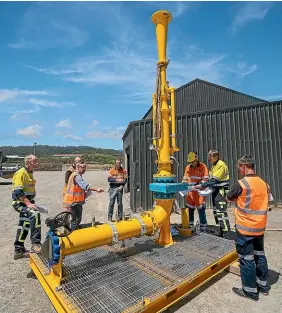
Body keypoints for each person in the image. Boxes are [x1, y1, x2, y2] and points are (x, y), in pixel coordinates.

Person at [226, 155, 270, 301]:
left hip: (245, 228)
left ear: (244, 166)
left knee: (246, 258)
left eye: (240, 167)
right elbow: (268, 201)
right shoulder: (264, 184)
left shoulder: (241, 184)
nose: (239, 170)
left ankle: (250, 292)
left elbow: (229, 198)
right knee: (259, 255)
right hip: (260, 227)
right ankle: (263, 286)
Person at [194, 149, 231, 238]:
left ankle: (226, 234)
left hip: (221, 192)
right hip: (216, 191)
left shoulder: (221, 165)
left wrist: (202, 185)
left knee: (221, 212)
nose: (209, 159)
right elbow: (212, 180)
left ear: (216, 157)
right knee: (217, 211)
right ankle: (221, 231)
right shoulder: (214, 165)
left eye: (210, 157)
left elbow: (215, 180)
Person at [12, 154, 42, 259]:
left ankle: (18, 250)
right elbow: (18, 192)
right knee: (35, 214)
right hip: (19, 203)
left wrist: (30, 202)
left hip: (27, 202)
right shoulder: (20, 173)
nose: (36, 163)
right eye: (35, 161)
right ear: (28, 162)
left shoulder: (30, 173)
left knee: (24, 225)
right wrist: (28, 204)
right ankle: (36, 244)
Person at [63, 162, 104, 227]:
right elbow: (85, 186)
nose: (84, 169)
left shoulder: (74, 174)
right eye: (83, 167)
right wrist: (96, 189)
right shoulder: (77, 176)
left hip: (71, 200)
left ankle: (71, 230)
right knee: (76, 219)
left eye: (85, 167)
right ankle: (74, 232)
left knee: (71, 218)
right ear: (78, 167)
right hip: (74, 202)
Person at [182, 152, 209, 229]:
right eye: (190, 162)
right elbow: (185, 178)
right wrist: (184, 185)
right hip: (190, 191)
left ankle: (203, 226)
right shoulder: (188, 167)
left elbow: (206, 178)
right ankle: (190, 225)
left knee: (201, 208)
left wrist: (200, 185)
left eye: (192, 161)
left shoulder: (203, 167)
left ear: (196, 159)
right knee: (190, 208)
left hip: (199, 191)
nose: (191, 163)